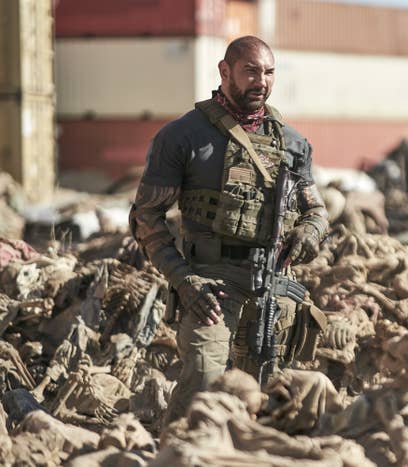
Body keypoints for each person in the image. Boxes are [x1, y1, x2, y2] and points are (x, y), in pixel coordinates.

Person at [129, 36, 329, 422]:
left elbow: (316, 210)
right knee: (203, 386)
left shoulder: (292, 143)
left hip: (272, 286)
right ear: (225, 71)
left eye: (269, 72)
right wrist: (184, 281)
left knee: (265, 400)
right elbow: (146, 217)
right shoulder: (183, 136)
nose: (262, 81)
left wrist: (309, 232)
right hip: (210, 287)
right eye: (251, 71)